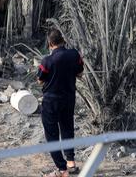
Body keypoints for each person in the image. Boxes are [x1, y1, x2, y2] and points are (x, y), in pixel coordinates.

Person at [38, 29, 84, 177]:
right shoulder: (74, 54)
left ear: (50, 43)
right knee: (67, 128)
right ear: (63, 41)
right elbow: (80, 73)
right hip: (69, 98)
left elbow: (40, 80)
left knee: (52, 135)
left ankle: (62, 170)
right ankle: (71, 162)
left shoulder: (47, 61)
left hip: (51, 101)